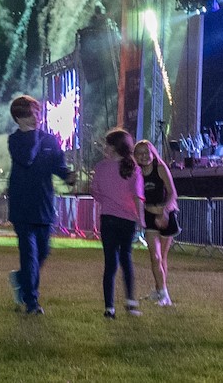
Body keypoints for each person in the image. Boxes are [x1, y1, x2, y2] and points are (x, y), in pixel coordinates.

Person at [6, 94, 71, 315]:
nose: (37, 118)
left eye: (37, 113)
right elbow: (27, 158)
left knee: (43, 252)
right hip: (22, 208)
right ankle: (32, 302)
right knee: (30, 254)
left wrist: (68, 176)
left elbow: (58, 166)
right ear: (18, 118)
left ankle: (21, 278)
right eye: (31, 114)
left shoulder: (50, 140)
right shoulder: (15, 140)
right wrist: (33, 134)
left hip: (44, 206)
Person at [91, 128, 144, 319]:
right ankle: (131, 302)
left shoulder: (101, 168)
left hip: (108, 219)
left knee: (110, 263)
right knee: (126, 259)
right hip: (127, 220)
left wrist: (106, 199)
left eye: (107, 144)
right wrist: (141, 219)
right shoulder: (134, 168)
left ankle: (109, 307)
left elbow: (95, 191)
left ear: (113, 147)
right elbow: (138, 196)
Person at [134, 139, 179, 305]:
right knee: (155, 257)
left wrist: (164, 212)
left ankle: (163, 293)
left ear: (153, 153)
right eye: (140, 153)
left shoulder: (160, 168)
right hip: (150, 217)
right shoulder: (136, 173)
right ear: (135, 157)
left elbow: (173, 193)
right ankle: (161, 291)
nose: (144, 156)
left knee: (163, 258)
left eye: (147, 152)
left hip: (166, 216)